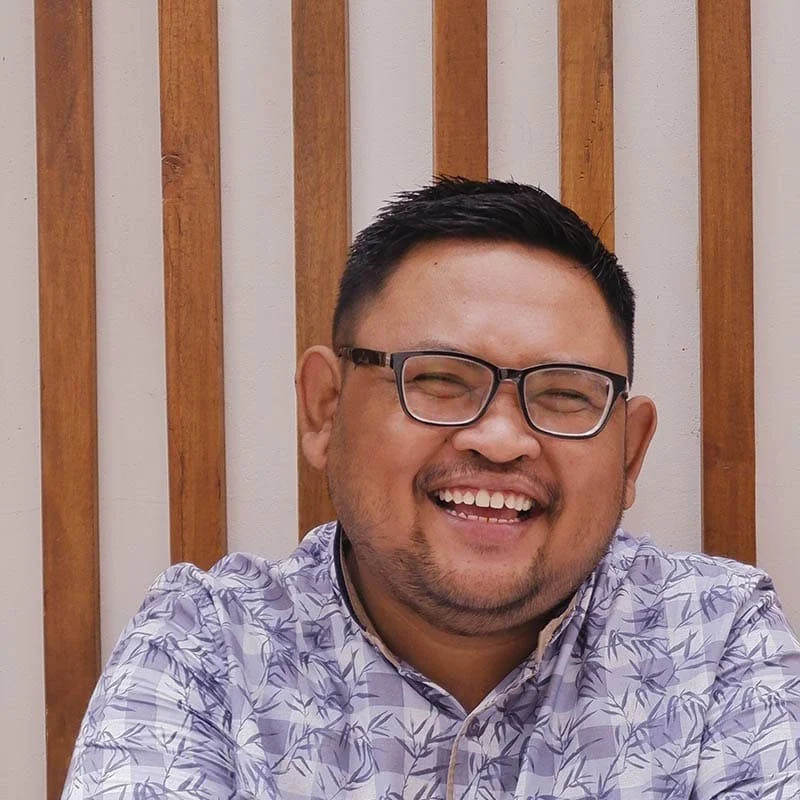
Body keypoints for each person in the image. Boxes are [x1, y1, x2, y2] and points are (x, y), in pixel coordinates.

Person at [63, 178, 800, 799]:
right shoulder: (206, 649)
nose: (501, 439)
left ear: (631, 454)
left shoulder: (715, 642)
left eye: (565, 394)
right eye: (441, 380)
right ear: (325, 409)